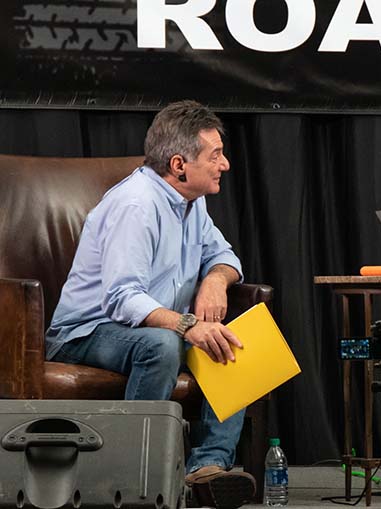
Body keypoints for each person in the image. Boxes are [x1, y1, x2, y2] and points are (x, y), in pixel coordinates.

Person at [46, 100, 255, 509]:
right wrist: (189, 326)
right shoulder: (136, 205)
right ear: (179, 165)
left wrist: (215, 280)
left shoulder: (192, 202)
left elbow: (226, 257)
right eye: (215, 156)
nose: (225, 165)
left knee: (234, 341)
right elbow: (123, 299)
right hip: (85, 332)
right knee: (161, 345)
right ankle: (128, 473)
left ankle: (207, 468)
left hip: (153, 327)